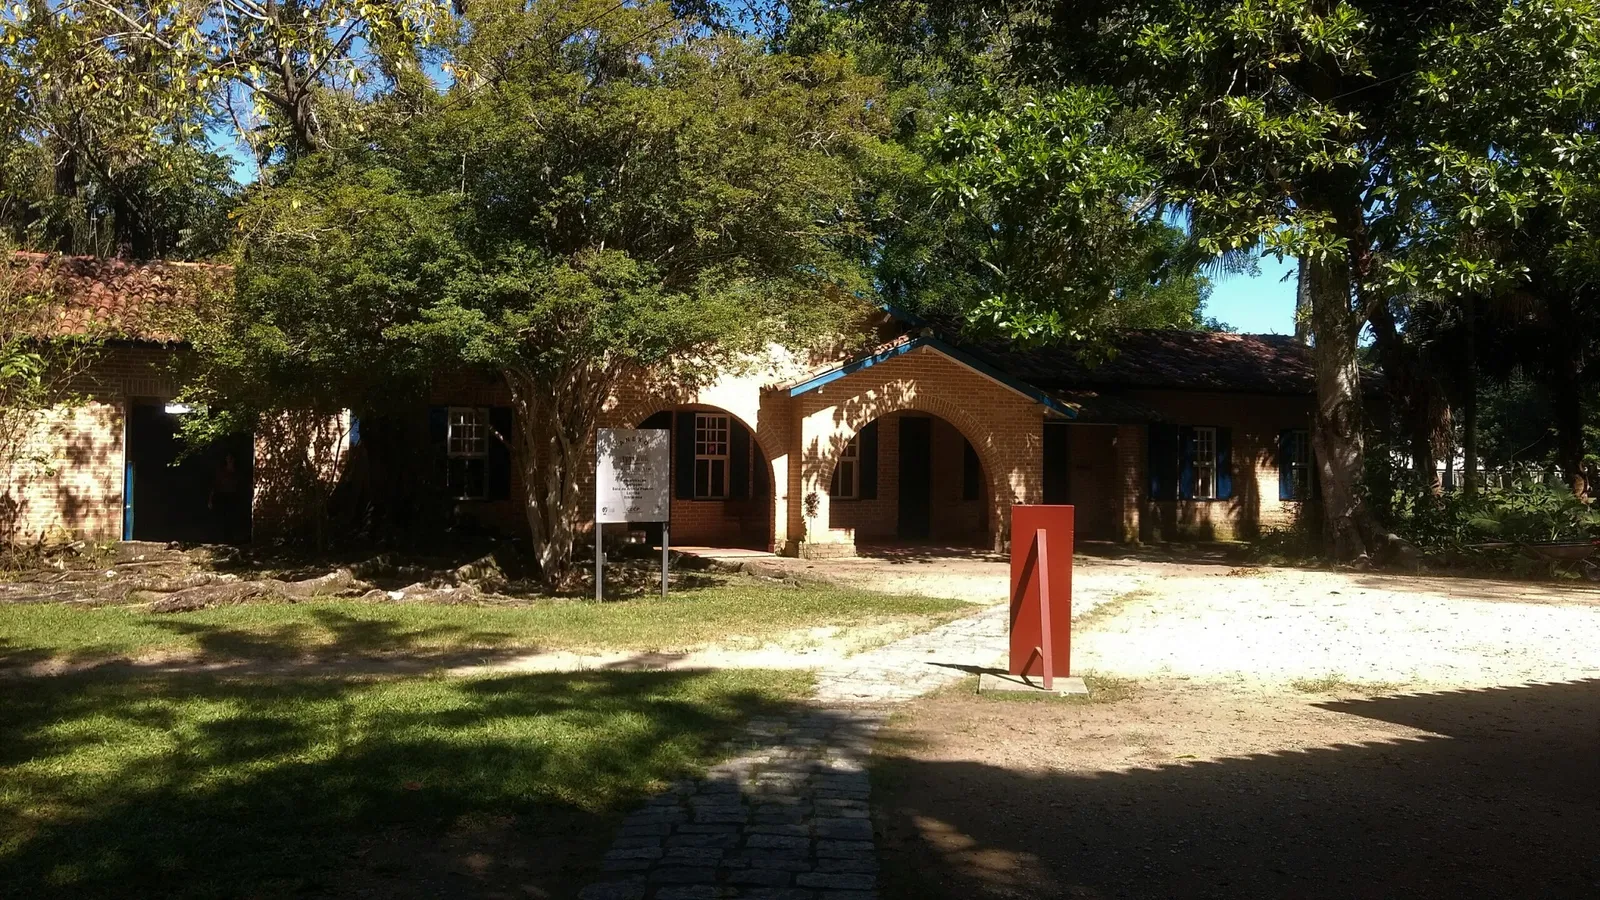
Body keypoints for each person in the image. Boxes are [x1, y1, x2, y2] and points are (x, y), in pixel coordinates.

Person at [209, 453, 244, 544]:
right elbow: (214, 486)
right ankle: (221, 539)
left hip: (233, 497)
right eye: (228, 459)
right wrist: (210, 500)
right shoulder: (221, 472)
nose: (230, 461)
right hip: (222, 497)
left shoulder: (237, 472)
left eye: (231, 459)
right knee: (222, 518)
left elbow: (241, 484)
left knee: (231, 518)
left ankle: (231, 539)